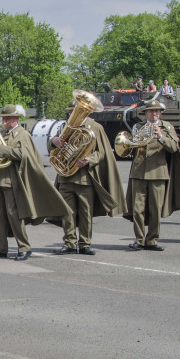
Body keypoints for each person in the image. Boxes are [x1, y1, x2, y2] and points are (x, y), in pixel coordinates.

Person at [0, 104, 70, 260]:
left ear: (16, 118)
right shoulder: (3, 134)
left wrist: (1, 148)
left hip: (13, 179)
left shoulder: (23, 134)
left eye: (8, 118)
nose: (4, 121)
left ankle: (24, 247)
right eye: (4, 118)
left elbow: (24, 154)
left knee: (14, 216)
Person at [49, 100, 126, 255]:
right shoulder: (65, 127)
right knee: (67, 213)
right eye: (71, 111)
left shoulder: (95, 127)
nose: (72, 114)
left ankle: (85, 243)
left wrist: (88, 160)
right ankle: (69, 243)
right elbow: (54, 149)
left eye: (75, 111)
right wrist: (53, 141)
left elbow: (103, 152)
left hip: (85, 178)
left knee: (86, 213)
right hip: (66, 176)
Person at [124, 98, 180, 250]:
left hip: (158, 173)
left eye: (157, 111)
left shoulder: (167, 127)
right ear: (146, 113)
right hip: (139, 172)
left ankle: (152, 240)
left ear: (160, 113)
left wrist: (160, 136)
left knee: (155, 209)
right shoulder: (138, 127)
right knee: (137, 209)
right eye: (151, 111)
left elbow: (173, 147)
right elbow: (130, 148)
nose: (154, 113)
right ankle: (139, 240)